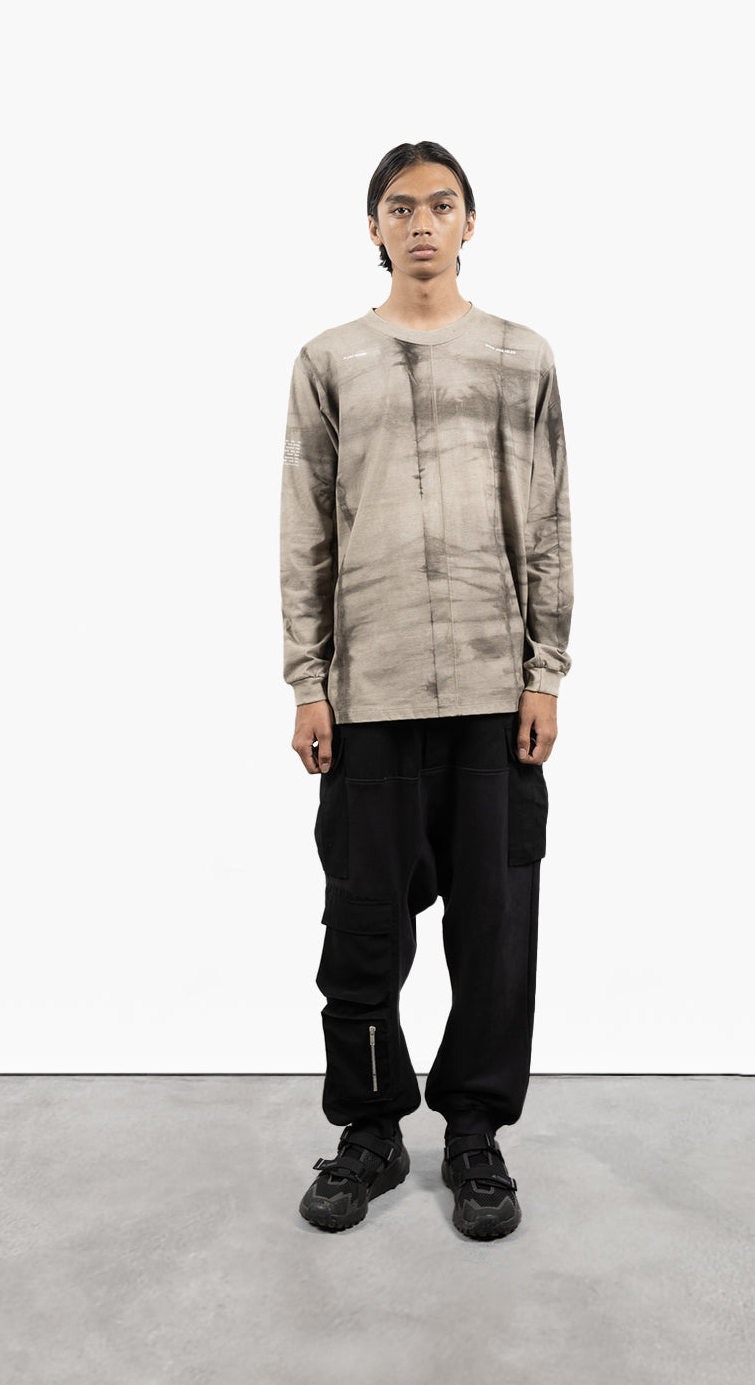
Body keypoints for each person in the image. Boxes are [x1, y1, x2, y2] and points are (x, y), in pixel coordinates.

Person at [279, 140, 573, 1241]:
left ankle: (475, 1133)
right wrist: (309, 682)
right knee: (363, 929)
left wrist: (546, 672)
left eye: (440, 206)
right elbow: (306, 530)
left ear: (469, 222)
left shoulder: (519, 358)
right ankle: (368, 1132)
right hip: (372, 692)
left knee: (494, 932)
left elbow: (549, 523)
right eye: (400, 208)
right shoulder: (330, 360)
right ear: (373, 227)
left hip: (495, 691)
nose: (420, 225)